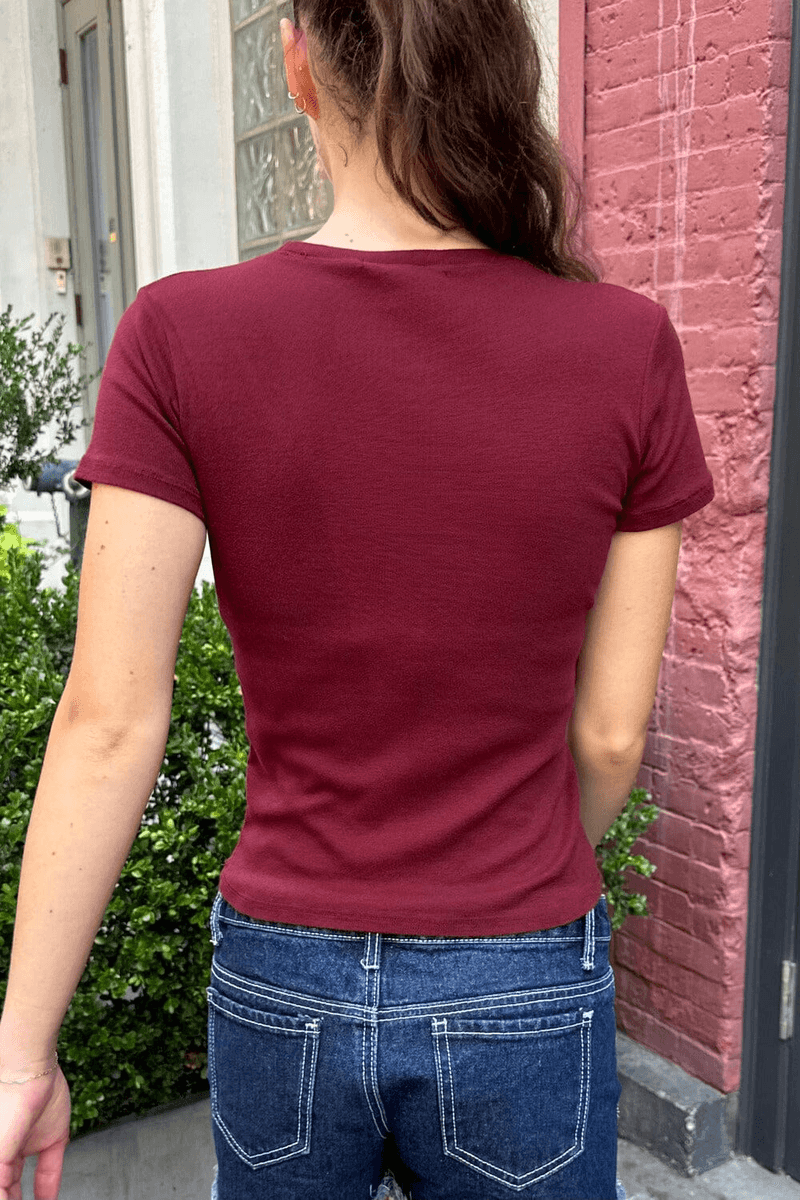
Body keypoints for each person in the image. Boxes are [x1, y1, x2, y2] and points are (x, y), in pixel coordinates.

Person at [0, 0, 714, 1196]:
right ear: (496, 66)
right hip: (521, 965)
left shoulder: (179, 335)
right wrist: (510, 884)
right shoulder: (625, 345)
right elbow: (608, 735)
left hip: (285, 975)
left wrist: (22, 1052)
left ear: (297, 65)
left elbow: (110, 721)